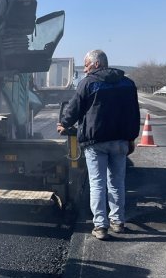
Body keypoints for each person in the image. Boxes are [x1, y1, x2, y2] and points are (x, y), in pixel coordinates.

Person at [57, 50, 140, 240]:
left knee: (97, 184)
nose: (85, 69)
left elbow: (74, 108)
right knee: (117, 183)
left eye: (86, 65)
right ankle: (118, 222)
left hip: (96, 142)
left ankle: (100, 226)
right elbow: (134, 113)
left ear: (96, 64)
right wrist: (131, 138)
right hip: (120, 141)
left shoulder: (88, 83)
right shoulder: (128, 84)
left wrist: (65, 124)